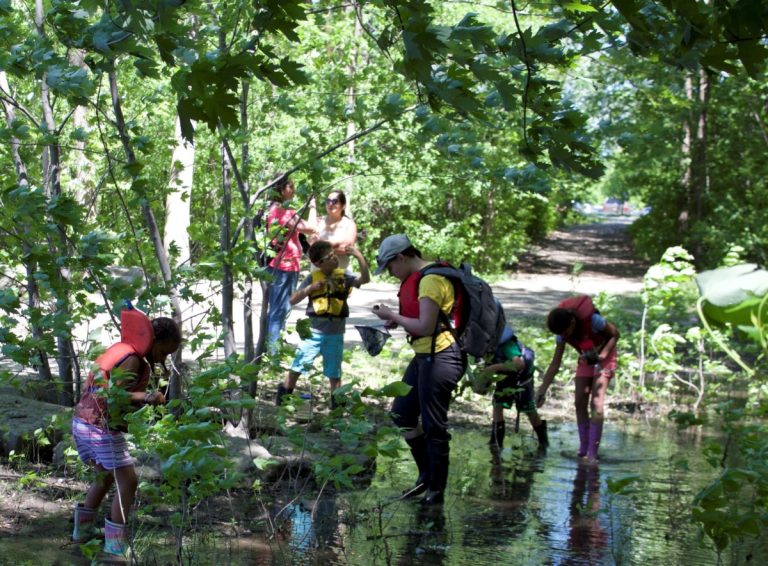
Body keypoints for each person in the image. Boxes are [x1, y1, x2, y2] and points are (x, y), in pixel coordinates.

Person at [71, 307, 182, 558]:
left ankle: (82, 532)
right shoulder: (133, 358)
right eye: (164, 352)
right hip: (101, 427)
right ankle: (115, 547)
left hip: (82, 421)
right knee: (128, 481)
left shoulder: (121, 350)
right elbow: (112, 394)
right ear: (153, 340)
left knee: (105, 476)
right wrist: (147, 397)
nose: (163, 358)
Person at [371, 234, 467, 505]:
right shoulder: (424, 278)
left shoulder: (431, 280)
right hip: (425, 355)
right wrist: (398, 321)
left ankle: (436, 492)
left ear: (401, 257)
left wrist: (392, 315)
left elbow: (425, 326)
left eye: (390, 267)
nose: (391, 274)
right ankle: (426, 476)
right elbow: (424, 322)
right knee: (402, 414)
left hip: (441, 359)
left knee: (435, 426)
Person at [276, 240, 370, 406]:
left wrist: (359, 256)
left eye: (334, 255)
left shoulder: (345, 275)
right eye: (330, 256)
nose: (335, 259)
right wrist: (310, 288)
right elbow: (292, 299)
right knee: (298, 366)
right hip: (313, 332)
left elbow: (365, 279)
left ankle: (337, 406)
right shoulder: (313, 278)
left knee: (334, 372)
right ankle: (283, 399)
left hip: (335, 333)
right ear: (319, 263)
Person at [536, 295, 619, 463]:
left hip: (605, 356)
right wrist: (542, 390)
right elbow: (555, 363)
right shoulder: (561, 334)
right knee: (579, 402)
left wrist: (601, 355)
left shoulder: (594, 320)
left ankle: (592, 454)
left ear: (572, 323)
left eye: (565, 332)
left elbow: (615, 334)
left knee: (596, 404)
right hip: (587, 358)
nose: (563, 335)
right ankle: (583, 449)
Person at [264, 174, 316, 354]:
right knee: (279, 310)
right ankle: (273, 352)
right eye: (290, 186)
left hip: (283, 265)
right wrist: (313, 207)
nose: (293, 190)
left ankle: (273, 347)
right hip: (284, 266)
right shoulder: (283, 211)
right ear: (281, 189)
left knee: (280, 308)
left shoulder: (272, 209)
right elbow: (310, 227)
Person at [481, 326, 548, 453]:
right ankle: (496, 442)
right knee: (498, 405)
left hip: (521, 379)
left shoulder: (507, 346)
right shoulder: (489, 349)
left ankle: (543, 441)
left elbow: (519, 364)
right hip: (505, 377)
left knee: (529, 411)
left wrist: (493, 368)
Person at [309, 190, 358, 272]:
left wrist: (320, 246)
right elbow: (311, 241)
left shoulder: (349, 224)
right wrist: (312, 206)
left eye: (335, 201)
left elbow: (346, 247)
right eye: (328, 201)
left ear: (343, 206)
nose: (330, 204)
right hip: (318, 272)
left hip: (340, 271)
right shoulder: (319, 221)